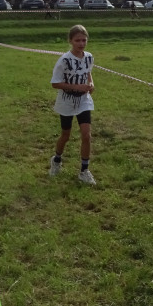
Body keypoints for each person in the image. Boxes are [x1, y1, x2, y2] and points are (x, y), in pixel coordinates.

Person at [49, 24, 97, 186]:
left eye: (84, 40)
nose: (81, 44)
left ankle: (84, 171)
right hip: (66, 101)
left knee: (86, 135)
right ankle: (56, 160)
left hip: (83, 100)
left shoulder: (89, 56)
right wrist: (77, 87)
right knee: (66, 135)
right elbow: (55, 83)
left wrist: (91, 83)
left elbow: (88, 72)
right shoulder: (64, 60)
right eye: (78, 40)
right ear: (70, 41)